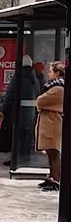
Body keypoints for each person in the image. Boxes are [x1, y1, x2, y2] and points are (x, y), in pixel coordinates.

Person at [35, 61, 65, 192]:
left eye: (51, 71)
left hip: (53, 123)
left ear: (58, 73)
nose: (48, 74)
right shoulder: (53, 87)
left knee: (53, 151)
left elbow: (41, 101)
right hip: (49, 122)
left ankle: (56, 179)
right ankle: (52, 176)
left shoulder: (58, 88)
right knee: (50, 151)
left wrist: (40, 102)